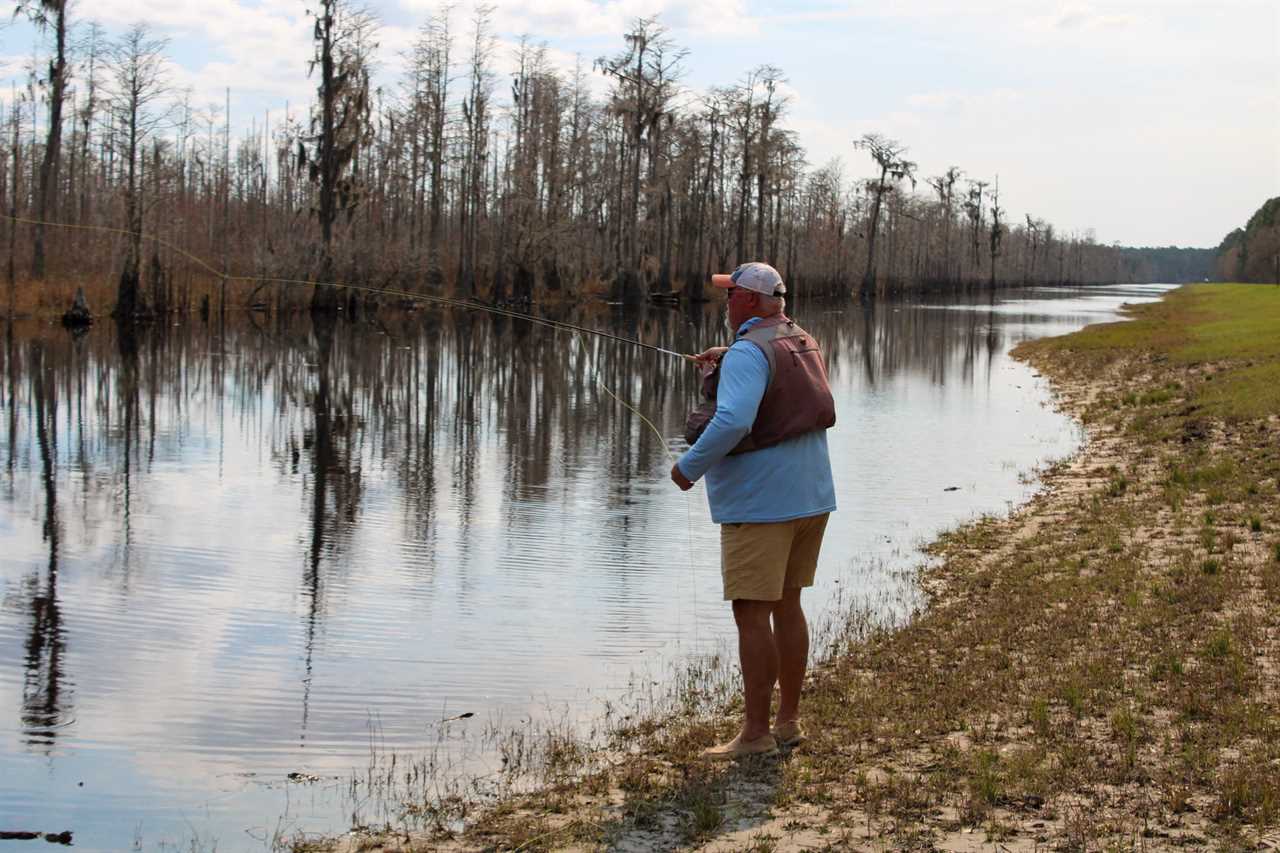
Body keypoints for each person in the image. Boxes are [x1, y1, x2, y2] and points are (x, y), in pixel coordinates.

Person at [671, 261, 837, 759]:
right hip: (811, 498)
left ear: (746, 300)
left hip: (763, 506)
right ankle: (786, 723)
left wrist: (688, 467)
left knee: (751, 614)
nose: (725, 303)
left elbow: (734, 421)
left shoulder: (749, 352)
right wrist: (729, 360)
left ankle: (755, 735)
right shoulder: (798, 340)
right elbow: (779, 389)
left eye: (729, 295)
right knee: (788, 606)